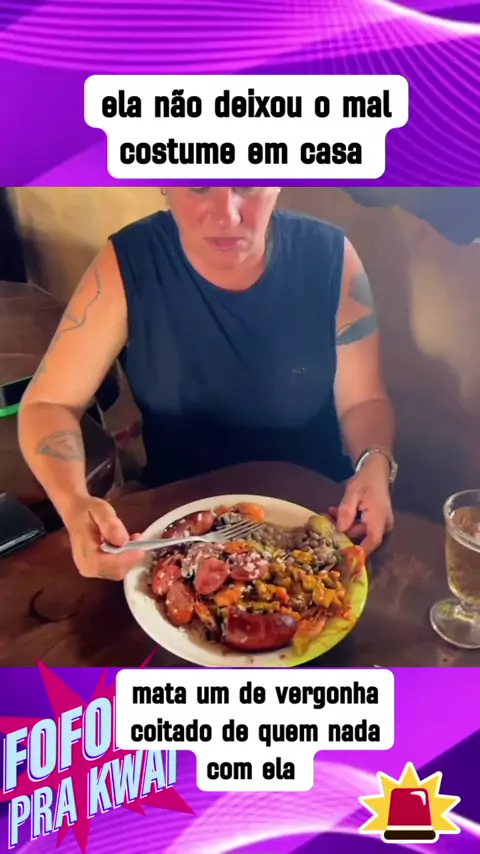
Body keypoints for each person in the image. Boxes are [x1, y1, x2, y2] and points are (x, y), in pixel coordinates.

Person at [18, 187, 396, 581]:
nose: (227, 214)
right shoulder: (129, 261)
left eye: (247, 182)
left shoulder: (329, 255)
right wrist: (74, 503)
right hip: (177, 530)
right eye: (199, 184)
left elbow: (364, 400)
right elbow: (49, 404)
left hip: (316, 520)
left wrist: (374, 465)